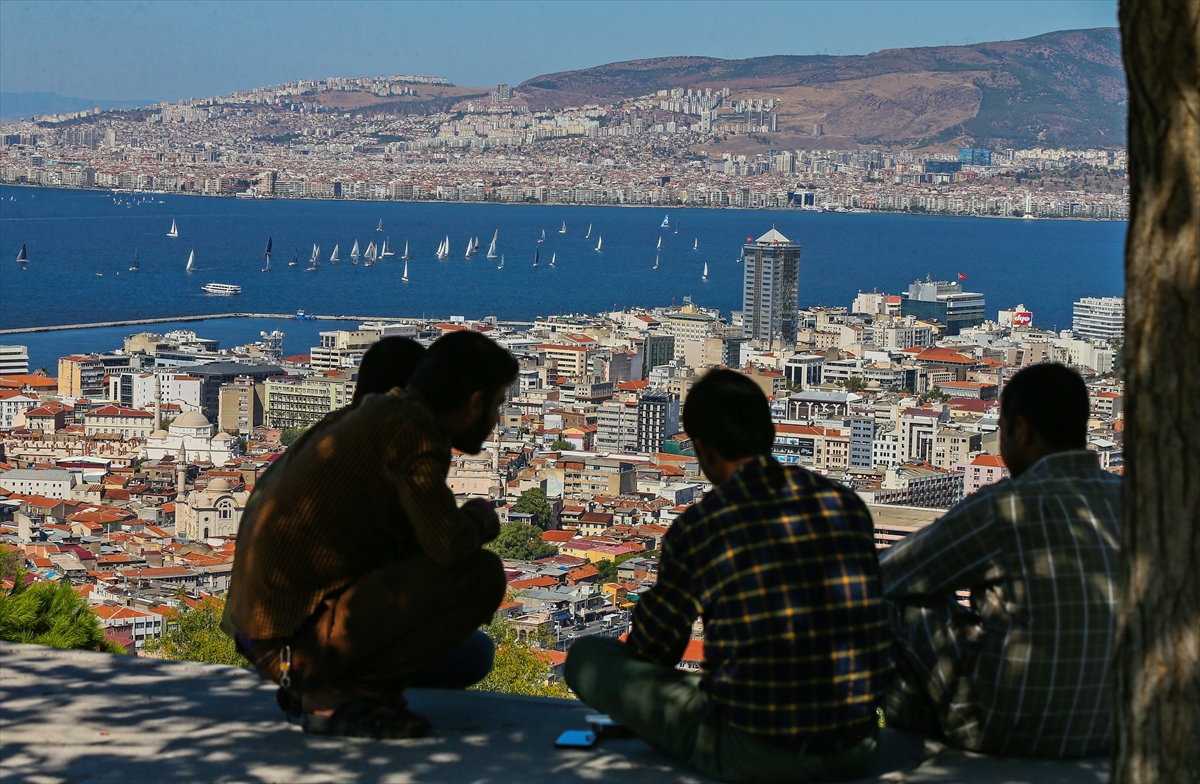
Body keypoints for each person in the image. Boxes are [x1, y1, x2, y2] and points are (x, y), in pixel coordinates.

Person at [565, 369, 894, 784]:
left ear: (703, 448)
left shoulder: (703, 526)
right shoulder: (844, 504)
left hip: (755, 751)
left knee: (587, 658)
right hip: (856, 746)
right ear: (769, 433)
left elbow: (655, 651)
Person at [223, 331, 518, 739]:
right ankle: (339, 699)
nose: (495, 421)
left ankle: (317, 690)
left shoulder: (368, 416)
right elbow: (448, 548)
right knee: (481, 575)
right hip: (289, 654)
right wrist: (480, 518)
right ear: (474, 402)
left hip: (261, 643)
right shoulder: (414, 430)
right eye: (497, 404)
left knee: (470, 653)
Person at [879, 363, 1120, 758]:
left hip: (1009, 730)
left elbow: (888, 574)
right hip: (1111, 728)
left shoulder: (1007, 508)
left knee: (898, 605)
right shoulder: (1138, 503)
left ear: (1020, 431)